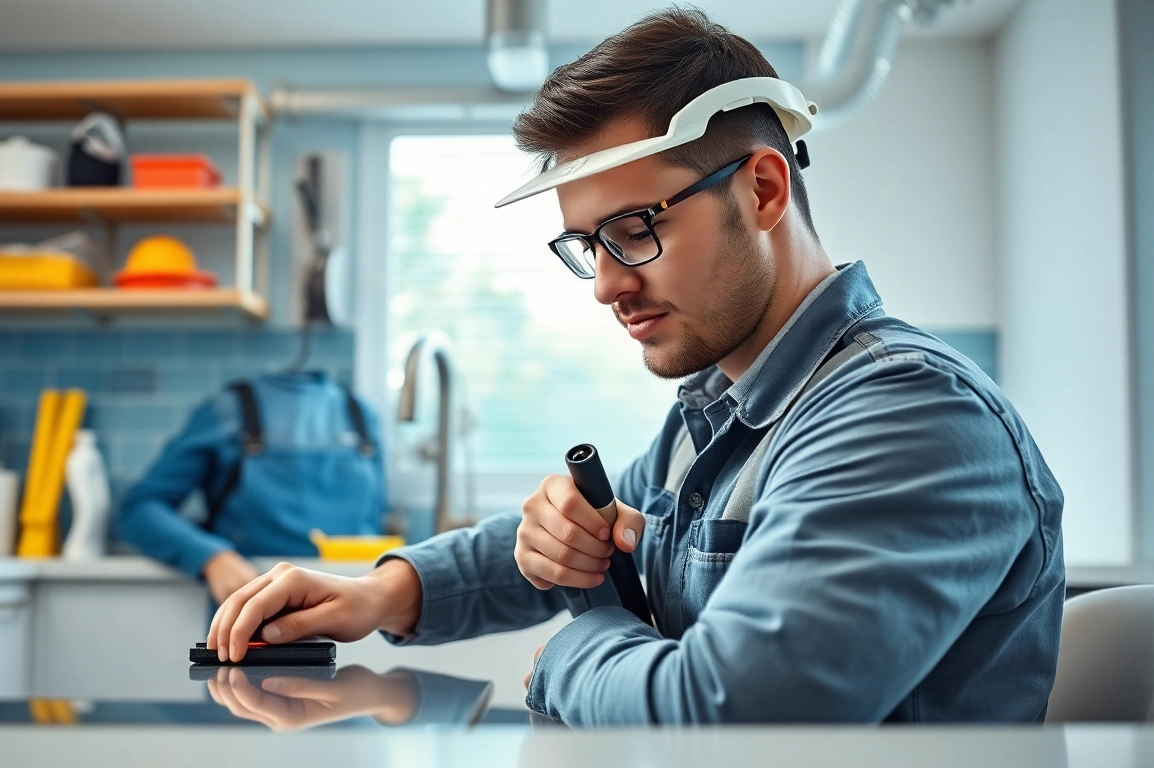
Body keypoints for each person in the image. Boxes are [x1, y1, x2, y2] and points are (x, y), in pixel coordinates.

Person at [208, 9, 1064, 725]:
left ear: (763, 191)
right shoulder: (724, 406)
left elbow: (733, 714)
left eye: (635, 230)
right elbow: (584, 532)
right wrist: (379, 595)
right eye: (589, 246)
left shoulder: (903, 416)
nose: (609, 284)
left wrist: (574, 652)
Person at [119, 371, 386, 604]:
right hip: (252, 604)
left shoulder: (362, 414)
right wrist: (213, 557)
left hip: (360, 608)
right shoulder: (226, 409)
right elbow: (139, 509)